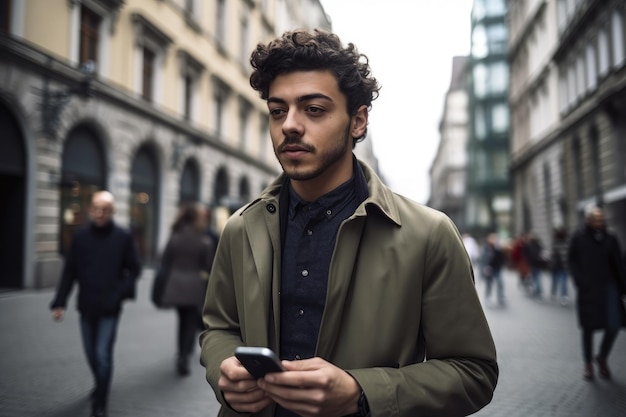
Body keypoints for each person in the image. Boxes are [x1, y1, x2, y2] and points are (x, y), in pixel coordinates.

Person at [199, 29, 498, 417]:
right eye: (278, 111)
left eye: (314, 109)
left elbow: (473, 372)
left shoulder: (428, 234)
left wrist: (361, 392)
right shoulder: (242, 227)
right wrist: (225, 369)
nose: (289, 125)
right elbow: (218, 327)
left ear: (358, 121)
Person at [50, 191, 141, 417]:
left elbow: (135, 269)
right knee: (91, 355)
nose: (100, 213)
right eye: (96, 208)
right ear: (90, 209)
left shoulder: (123, 237)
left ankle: (100, 403)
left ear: (112, 212)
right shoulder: (80, 238)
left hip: (110, 307)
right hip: (87, 305)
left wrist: (120, 293)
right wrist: (60, 302)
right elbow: (69, 271)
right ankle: (99, 384)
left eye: (105, 209)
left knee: (102, 355)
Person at [568, 205, 626, 381]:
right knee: (588, 329)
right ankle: (588, 365)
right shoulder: (579, 238)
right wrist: (580, 282)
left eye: (601, 219)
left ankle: (601, 357)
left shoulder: (611, 238)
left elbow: (619, 264)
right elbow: (571, 260)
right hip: (589, 290)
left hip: (609, 289)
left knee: (614, 325)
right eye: (596, 219)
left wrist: (623, 287)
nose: (599, 222)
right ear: (589, 220)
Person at [159, 203, 216, 375]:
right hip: (194, 288)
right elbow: (209, 266)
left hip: (175, 287)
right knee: (190, 323)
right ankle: (185, 355)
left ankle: (181, 354)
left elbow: (165, 261)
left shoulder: (175, 236)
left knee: (182, 322)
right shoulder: (203, 240)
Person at [480, 233, 506, 307]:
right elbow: (482, 260)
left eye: (495, 239)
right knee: (489, 285)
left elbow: (502, 258)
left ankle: (500, 299)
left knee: (500, 283)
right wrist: (483, 270)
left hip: (497, 269)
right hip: (489, 269)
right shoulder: (486, 248)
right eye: (492, 239)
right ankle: (487, 298)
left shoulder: (498, 248)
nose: (494, 240)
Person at [523, 233, 547, 298]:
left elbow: (528, 255)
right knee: (537, 278)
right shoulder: (539, 245)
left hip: (533, 264)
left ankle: (537, 291)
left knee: (535, 278)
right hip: (538, 264)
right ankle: (538, 291)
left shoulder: (530, 245)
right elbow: (543, 254)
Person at [550, 227, 569, 305]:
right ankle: (560, 295)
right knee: (559, 281)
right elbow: (553, 255)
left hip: (561, 266)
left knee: (561, 281)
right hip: (559, 266)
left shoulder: (565, 243)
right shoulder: (557, 243)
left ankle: (562, 295)